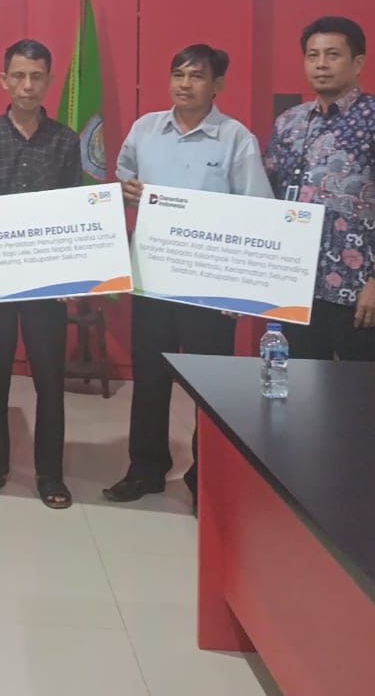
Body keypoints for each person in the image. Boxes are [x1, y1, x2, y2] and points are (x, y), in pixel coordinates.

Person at [103, 44, 271, 507]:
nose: (184, 83)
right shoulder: (145, 129)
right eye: (178, 74)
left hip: (208, 284)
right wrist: (126, 190)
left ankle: (207, 478)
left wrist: (240, 289)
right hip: (152, 275)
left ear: (217, 85)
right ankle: (145, 469)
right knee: (149, 377)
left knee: (208, 384)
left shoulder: (235, 139)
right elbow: (123, 179)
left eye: (196, 76)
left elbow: (257, 211)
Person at [264, 17, 375, 362]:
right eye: (313, 55)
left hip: (359, 289)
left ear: (357, 62)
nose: (321, 64)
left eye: (333, 55)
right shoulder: (289, 123)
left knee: (363, 391)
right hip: (297, 288)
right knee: (299, 389)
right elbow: (268, 199)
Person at [0, 40, 81, 509]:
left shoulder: (66, 141)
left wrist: (74, 274)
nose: (27, 85)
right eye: (19, 76)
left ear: (48, 80)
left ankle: (50, 474)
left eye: (36, 76)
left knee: (49, 378)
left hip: (47, 280)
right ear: (4, 80)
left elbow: (74, 210)